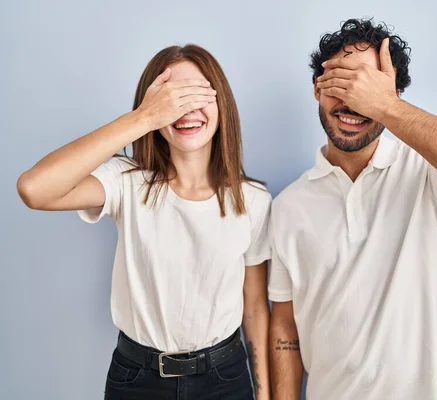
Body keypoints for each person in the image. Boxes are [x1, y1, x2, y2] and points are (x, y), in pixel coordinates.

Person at [268, 18, 437, 400]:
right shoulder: (288, 207)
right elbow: (285, 326)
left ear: (394, 94)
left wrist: (387, 106)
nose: (352, 101)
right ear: (317, 88)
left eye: (366, 86)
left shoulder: (428, 172)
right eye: (341, 82)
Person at [16, 44, 271, 400]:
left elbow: (256, 307)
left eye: (197, 93)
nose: (184, 109)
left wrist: (265, 394)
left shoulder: (253, 200)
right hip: (138, 380)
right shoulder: (126, 182)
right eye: (170, 98)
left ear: (221, 102)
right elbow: (34, 189)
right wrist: (143, 119)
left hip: (225, 378)